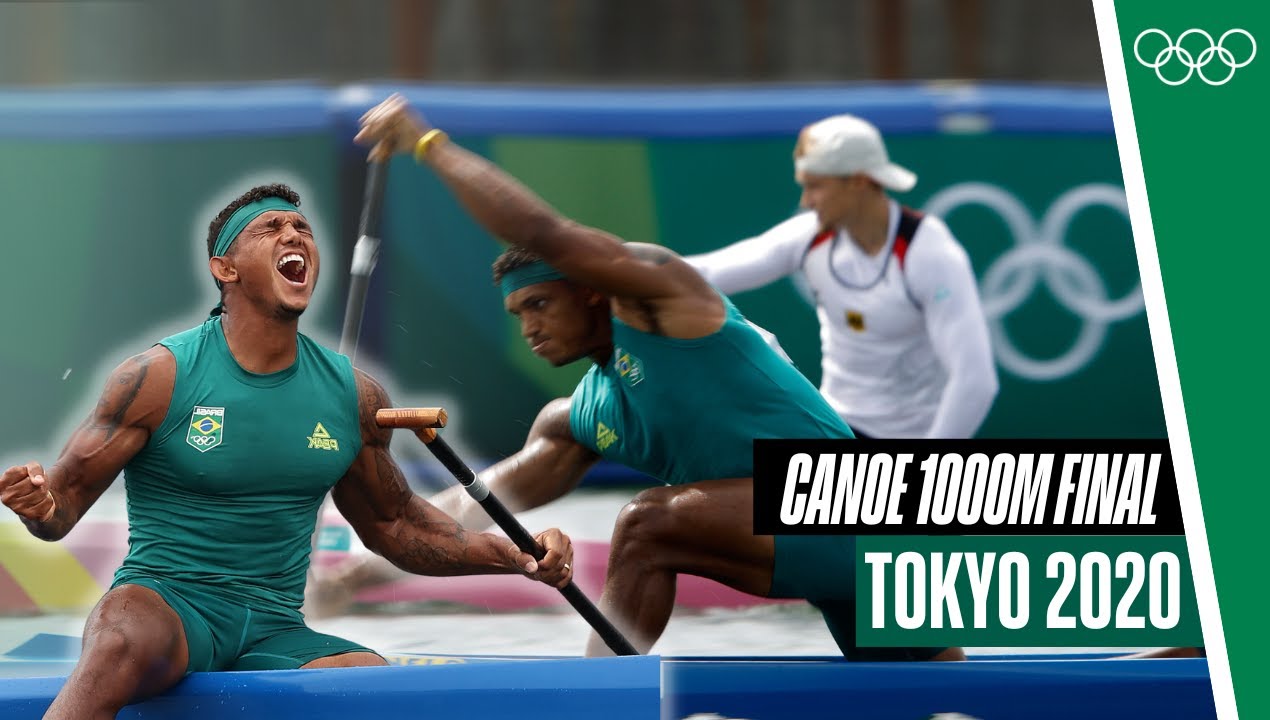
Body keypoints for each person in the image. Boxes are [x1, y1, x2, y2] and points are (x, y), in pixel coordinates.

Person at [352, 93, 963, 663]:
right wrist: (366, 558)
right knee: (923, 696)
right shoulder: (580, 417)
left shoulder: (658, 301)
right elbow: (475, 501)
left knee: (645, 525)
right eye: (518, 315)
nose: (529, 328)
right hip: (809, 541)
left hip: (848, 506)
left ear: (593, 290)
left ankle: (600, 704)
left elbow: (541, 232)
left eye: (539, 304)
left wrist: (427, 143)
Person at [0, 183, 574, 720]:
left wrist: (517, 554)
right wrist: (39, 504)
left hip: (274, 628)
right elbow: (61, 508)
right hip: (166, 606)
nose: (293, 234)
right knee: (119, 639)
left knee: (373, 685)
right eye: (270, 228)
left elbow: (396, 525)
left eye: (302, 228)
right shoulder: (156, 377)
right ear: (224, 269)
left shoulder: (354, 395)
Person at [684, 114, 999, 440]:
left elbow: (975, 381)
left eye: (815, 186)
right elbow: (709, 272)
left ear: (858, 181)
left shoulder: (930, 254)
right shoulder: (810, 236)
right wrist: (645, 267)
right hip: (834, 427)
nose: (806, 201)